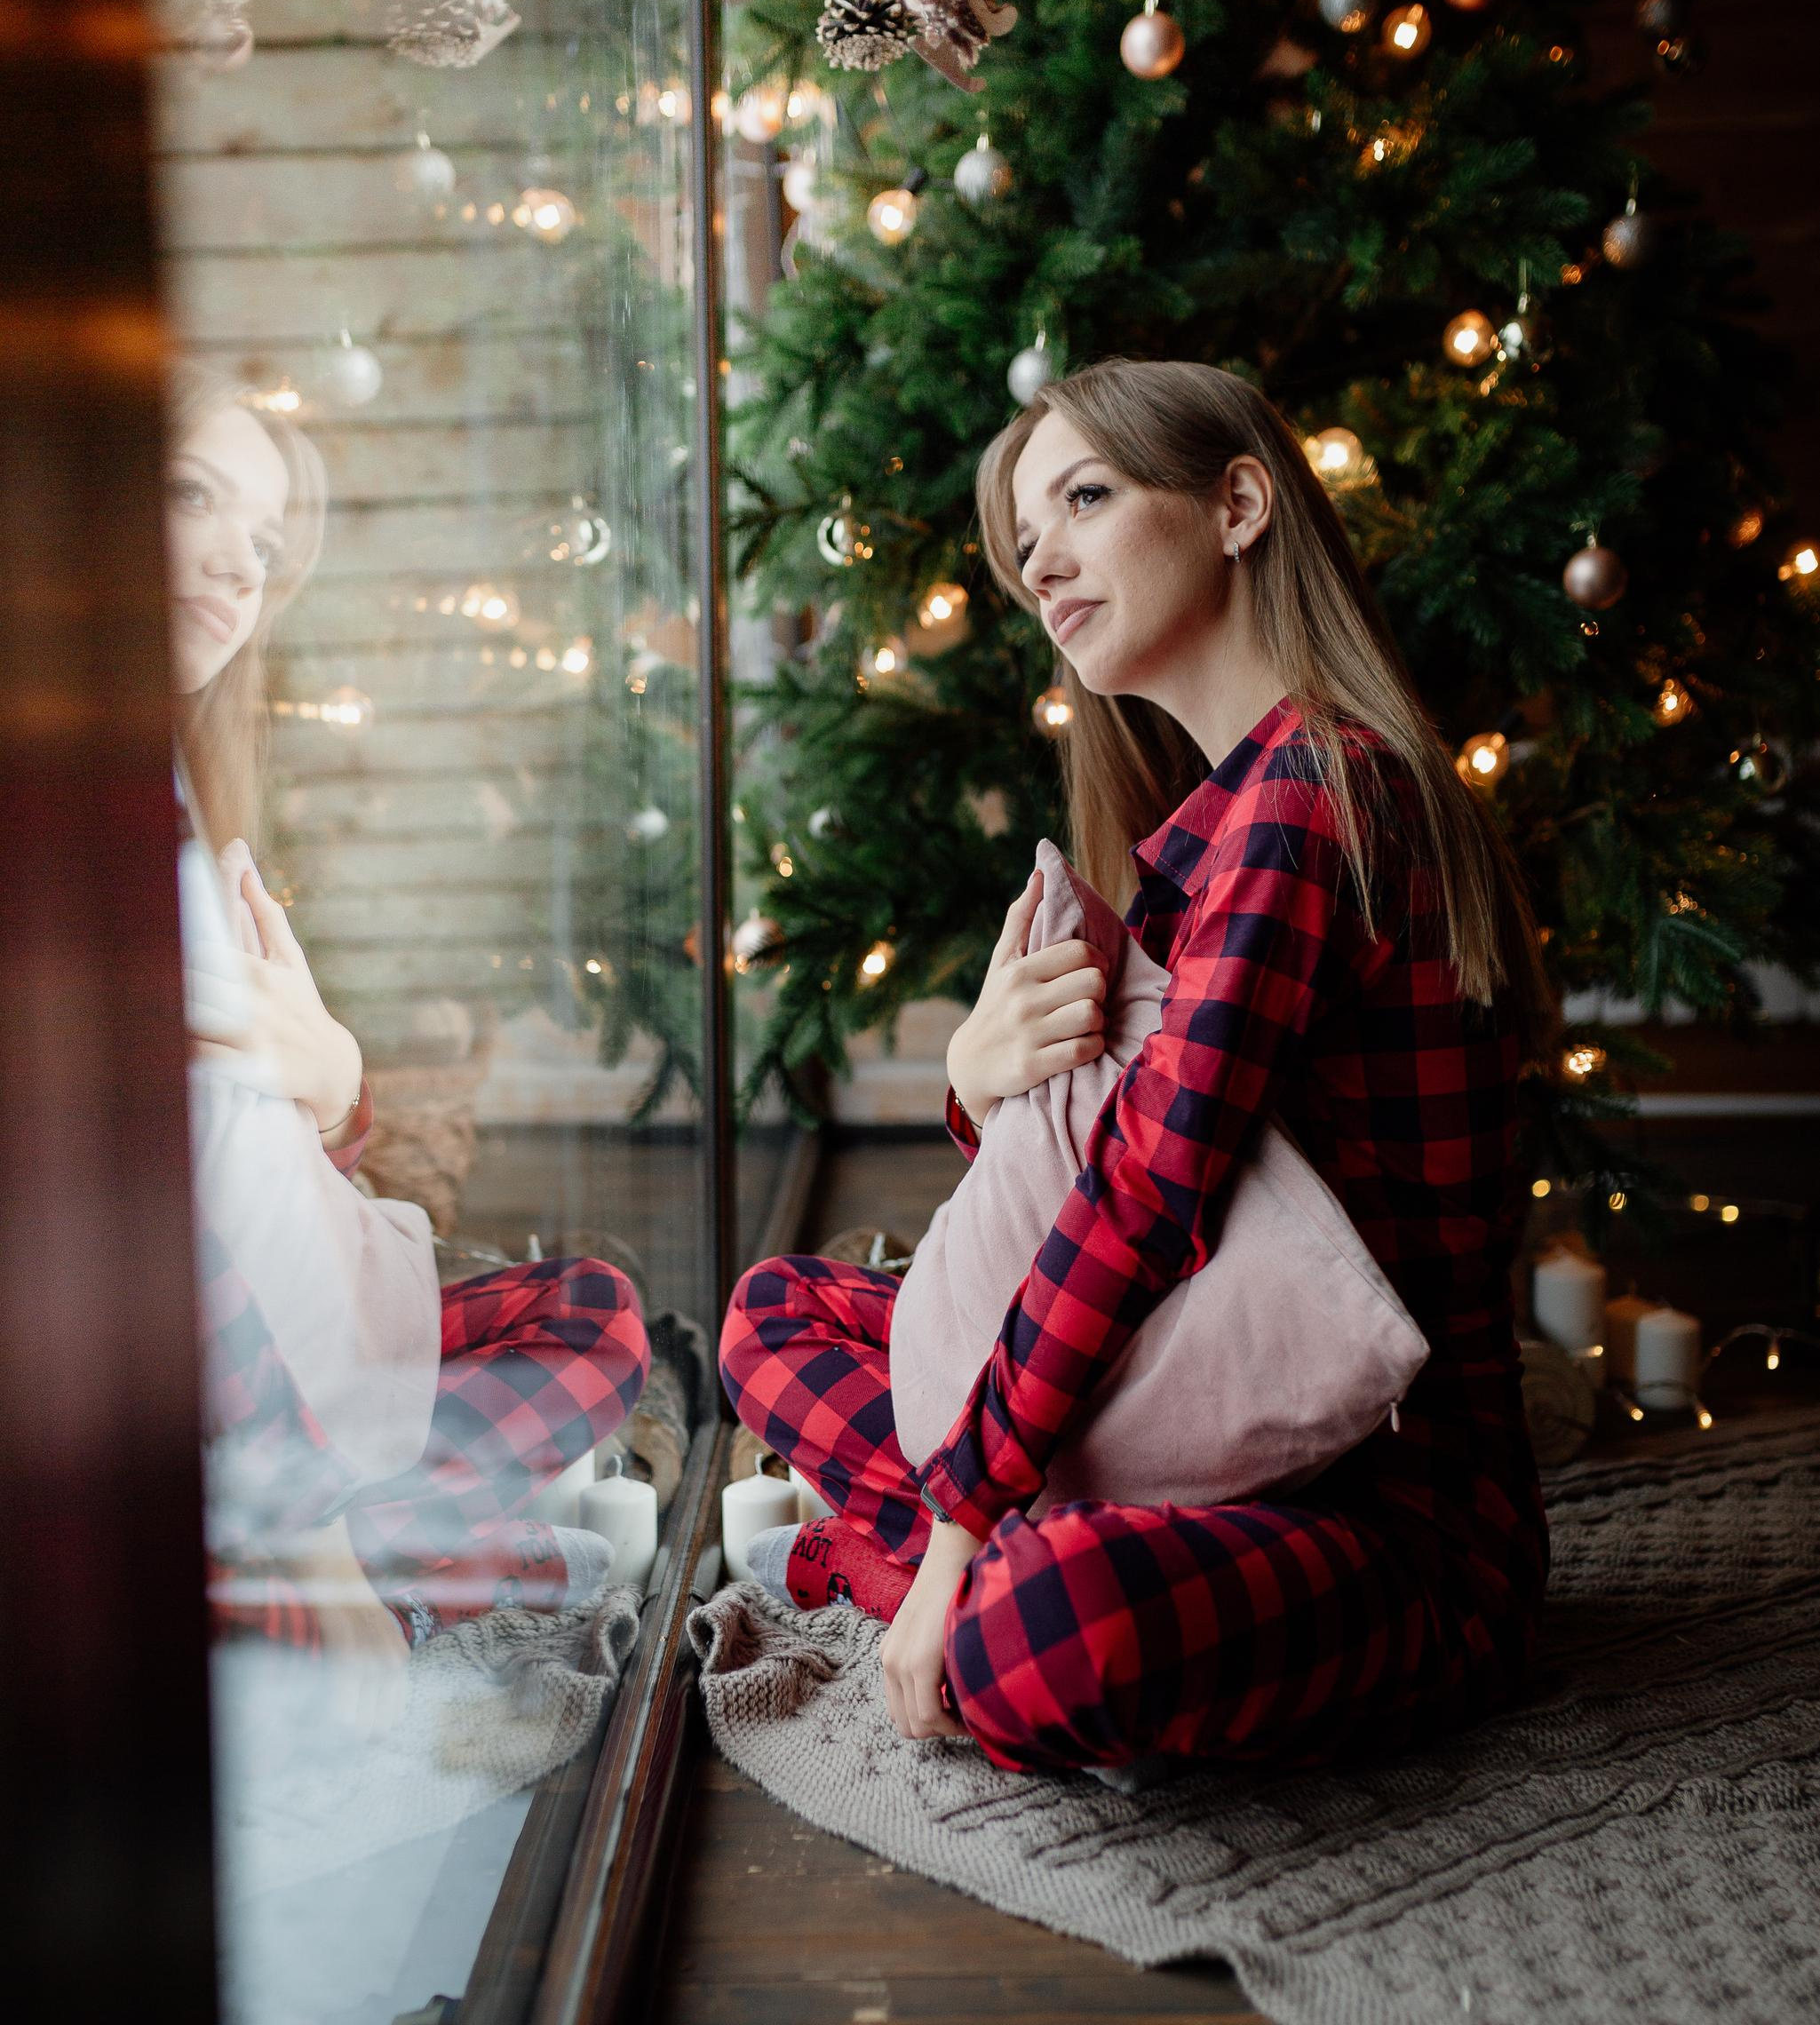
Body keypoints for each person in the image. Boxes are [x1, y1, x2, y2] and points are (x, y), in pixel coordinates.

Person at [720, 356, 1555, 1780]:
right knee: (777, 1312)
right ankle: (977, 1551)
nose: (1040, 560)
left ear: (1237, 505)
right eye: (1021, 541)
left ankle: (916, 1567)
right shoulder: (1212, 825)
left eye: (1084, 500)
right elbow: (1112, 1190)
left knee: (1030, 1636)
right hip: (1201, 1406)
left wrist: (955, 1544)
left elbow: (1145, 1204)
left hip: (1381, 1517)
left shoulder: (1310, 804)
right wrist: (982, 1086)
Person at [166, 363, 648, 1713]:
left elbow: (271, 1112)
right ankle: (338, 1560)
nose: (235, 562)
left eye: (262, 544)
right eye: (190, 495)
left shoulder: (188, 799)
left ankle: (363, 1552)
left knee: (597, 1315)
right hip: (237, 1393)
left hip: (306, 1324)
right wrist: (316, 1525)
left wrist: (333, 1092)